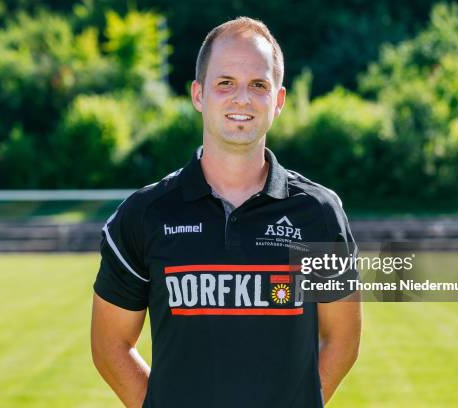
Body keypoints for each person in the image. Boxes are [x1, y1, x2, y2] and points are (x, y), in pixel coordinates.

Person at [91, 17, 361, 408]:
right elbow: (109, 345)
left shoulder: (317, 214)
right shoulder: (144, 214)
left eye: (258, 85)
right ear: (198, 94)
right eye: (225, 83)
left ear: (278, 101)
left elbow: (342, 339)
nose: (242, 98)